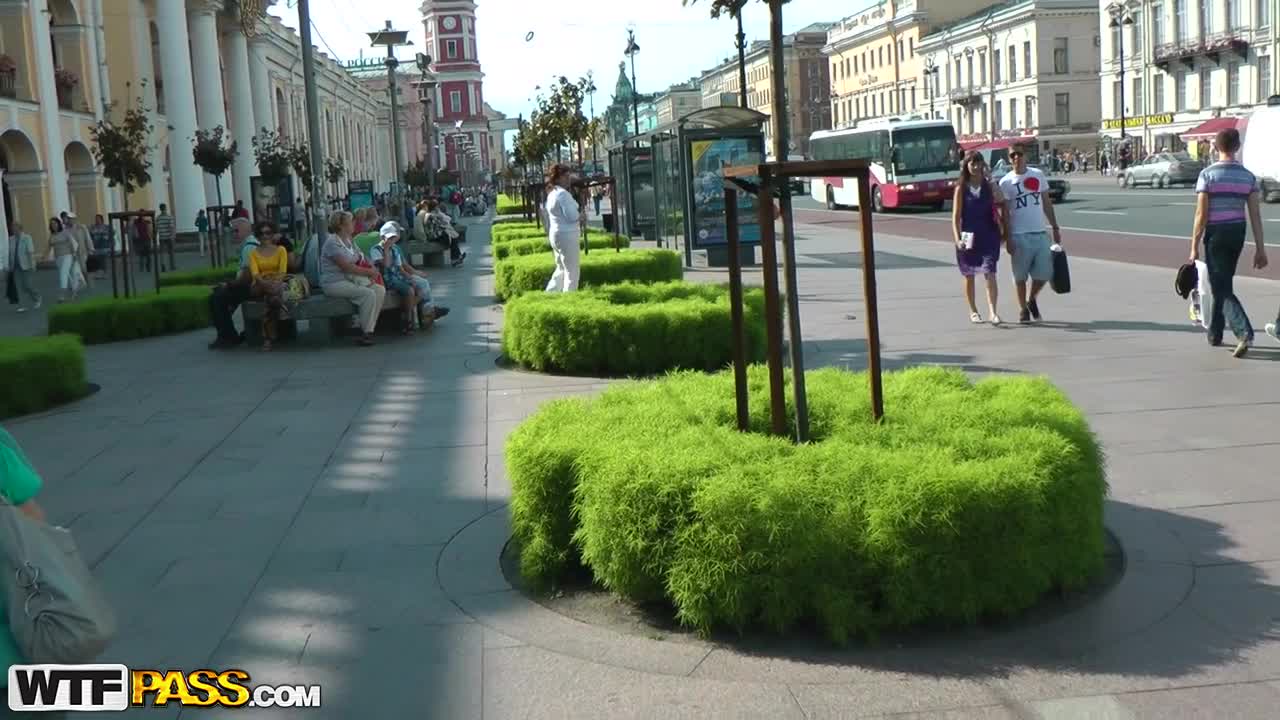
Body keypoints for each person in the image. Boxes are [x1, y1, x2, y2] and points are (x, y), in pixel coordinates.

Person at [1190, 128, 1267, 357]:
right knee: (1222, 282)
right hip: (1237, 233)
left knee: (1220, 285)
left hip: (1216, 233)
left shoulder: (1207, 175)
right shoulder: (1248, 177)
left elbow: (1201, 215)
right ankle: (1215, 334)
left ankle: (1244, 333)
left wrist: (1194, 245)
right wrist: (1260, 249)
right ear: (1237, 147)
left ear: (1215, 147)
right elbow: (1255, 215)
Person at [998, 144, 1062, 324]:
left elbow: (1046, 203)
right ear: (1009, 159)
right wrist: (1008, 238)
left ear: (1025, 156)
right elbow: (1005, 214)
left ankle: (1031, 299)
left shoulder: (1037, 175)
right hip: (1018, 235)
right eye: (1012, 155)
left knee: (1045, 273)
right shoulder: (1005, 182)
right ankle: (1023, 310)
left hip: (1040, 233)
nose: (1016, 158)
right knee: (1020, 277)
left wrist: (1055, 227)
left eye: (1019, 154)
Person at [952, 152, 1008, 326]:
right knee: (969, 274)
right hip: (968, 236)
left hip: (989, 234)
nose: (976, 167)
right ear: (966, 166)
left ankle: (993, 312)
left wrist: (991, 179)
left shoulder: (988, 185)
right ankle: (973, 310)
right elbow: (955, 217)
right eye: (972, 163)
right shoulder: (961, 188)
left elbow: (1001, 199)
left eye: (979, 163)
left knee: (990, 271)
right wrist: (957, 239)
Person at [320, 210, 385, 347]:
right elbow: (346, 267)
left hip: (351, 279)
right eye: (350, 222)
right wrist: (369, 272)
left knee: (379, 290)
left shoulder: (350, 240)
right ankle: (367, 333)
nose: (354, 224)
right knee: (368, 294)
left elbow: (361, 257)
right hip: (334, 282)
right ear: (342, 226)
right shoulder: (332, 242)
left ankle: (369, 328)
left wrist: (372, 268)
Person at [207, 218, 260, 349]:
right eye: (233, 231)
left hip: (251, 287)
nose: (233, 234)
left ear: (245, 230)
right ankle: (228, 334)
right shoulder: (250, 245)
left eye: (236, 231)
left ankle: (227, 336)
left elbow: (247, 276)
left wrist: (230, 285)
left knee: (217, 297)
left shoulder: (249, 247)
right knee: (219, 294)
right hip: (251, 286)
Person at [247, 221, 295, 352]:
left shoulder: (281, 250)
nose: (265, 236)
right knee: (273, 294)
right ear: (257, 236)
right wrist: (266, 283)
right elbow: (255, 274)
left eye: (268, 233)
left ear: (273, 234)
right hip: (259, 284)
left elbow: (283, 271)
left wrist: (276, 283)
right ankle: (281, 308)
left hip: (277, 283)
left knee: (272, 299)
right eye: (261, 233)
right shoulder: (253, 253)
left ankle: (268, 339)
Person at [369, 222, 422, 335]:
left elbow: (400, 268)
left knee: (419, 289)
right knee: (409, 290)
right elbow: (386, 265)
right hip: (385, 278)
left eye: (393, 238)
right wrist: (386, 250)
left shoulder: (395, 249)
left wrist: (410, 278)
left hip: (396, 276)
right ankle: (408, 320)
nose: (392, 241)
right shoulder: (375, 250)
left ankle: (405, 312)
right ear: (383, 237)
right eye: (390, 238)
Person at [47, 217, 80, 302]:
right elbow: (49, 247)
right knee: (68, 275)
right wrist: (44, 256)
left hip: (67, 256)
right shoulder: (52, 236)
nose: (53, 225)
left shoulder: (65, 232)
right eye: (52, 224)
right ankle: (75, 290)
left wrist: (74, 254)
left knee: (63, 273)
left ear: (58, 224)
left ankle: (62, 294)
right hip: (58, 258)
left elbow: (72, 243)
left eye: (55, 223)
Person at [8, 223, 40, 311]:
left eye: (15, 227)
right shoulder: (11, 239)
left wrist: (32, 264)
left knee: (27, 285)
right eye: (12, 228)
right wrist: (9, 265)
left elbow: (30, 252)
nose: (13, 229)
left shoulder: (27, 238)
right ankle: (23, 305)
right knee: (19, 287)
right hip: (15, 266)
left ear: (20, 228)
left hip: (26, 265)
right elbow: (9, 253)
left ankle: (37, 298)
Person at [63, 212, 93, 290]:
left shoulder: (81, 227)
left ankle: (88, 283)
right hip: (70, 252)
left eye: (71, 219)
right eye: (68, 219)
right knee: (73, 269)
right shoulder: (65, 230)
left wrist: (90, 249)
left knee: (83, 269)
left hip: (82, 251)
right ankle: (75, 285)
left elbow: (87, 238)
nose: (70, 220)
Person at [89, 214, 113, 279]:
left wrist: (111, 244)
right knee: (97, 260)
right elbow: (90, 236)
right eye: (96, 219)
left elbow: (111, 234)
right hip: (96, 246)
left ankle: (106, 273)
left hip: (105, 246)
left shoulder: (106, 227)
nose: (97, 220)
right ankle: (99, 273)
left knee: (104, 260)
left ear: (102, 220)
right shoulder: (92, 227)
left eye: (98, 219)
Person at [154, 203, 176, 271]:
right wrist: (172, 236)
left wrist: (155, 237)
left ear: (160, 209)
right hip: (169, 237)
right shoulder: (169, 217)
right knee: (171, 252)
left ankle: (163, 265)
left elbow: (156, 228)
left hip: (161, 237)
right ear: (165, 208)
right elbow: (171, 227)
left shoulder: (158, 218)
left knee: (162, 252)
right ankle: (172, 266)